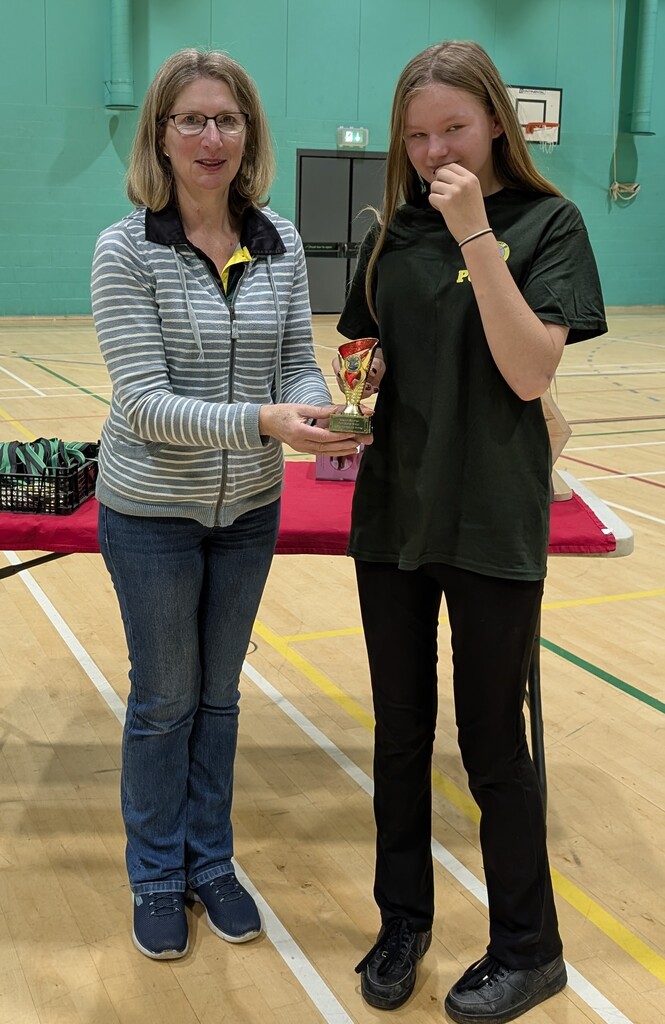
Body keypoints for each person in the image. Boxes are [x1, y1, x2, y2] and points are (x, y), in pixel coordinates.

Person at [335, 40, 607, 1021]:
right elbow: (359, 347)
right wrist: (358, 377)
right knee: (400, 735)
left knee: (493, 744)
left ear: (496, 121)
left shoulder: (547, 224)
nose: (432, 150)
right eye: (415, 135)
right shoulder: (389, 234)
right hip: (393, 514)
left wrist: (474, 235)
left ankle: (529, 949)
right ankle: (401, 920)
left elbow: (529, 370)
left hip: (490, 516)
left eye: (451, 127)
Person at [91, 48, 366, 961]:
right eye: (191, 120)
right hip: (152, 514)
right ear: (160, 136)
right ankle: (154, 873)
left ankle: (210, 861)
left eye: (228, 119)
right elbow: (144, 403)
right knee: (165, 699)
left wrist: (318, 409)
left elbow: (293, 359)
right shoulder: (125, 249)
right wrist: (263, 422)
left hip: (248, 510)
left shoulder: (278, 240)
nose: (211, 138)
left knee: (218, 698)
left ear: (249, 133)